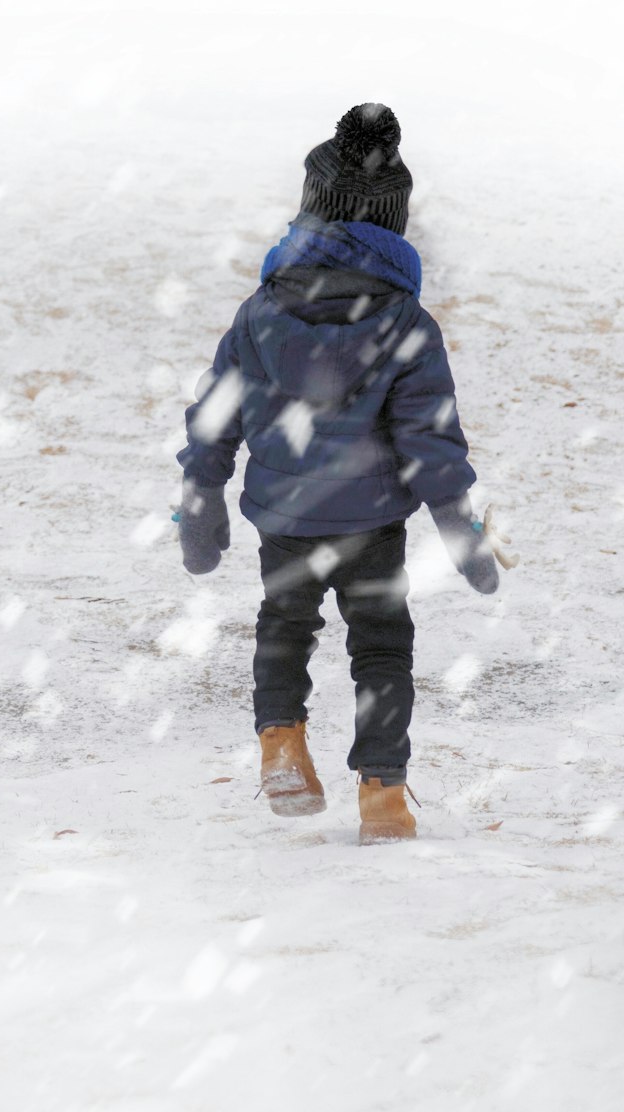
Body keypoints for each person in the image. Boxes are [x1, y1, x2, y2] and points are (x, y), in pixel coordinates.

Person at [175, 103, 499, 844]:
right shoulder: (408, 326)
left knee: (284, 627)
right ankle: (383, 792)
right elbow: (432, 444)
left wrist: (201, 502)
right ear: (394, 227)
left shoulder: (257, 315)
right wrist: (462, 529)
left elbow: (212, 420)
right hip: (372, 524)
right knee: (381, 644)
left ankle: (281, 745)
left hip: (286, 516)